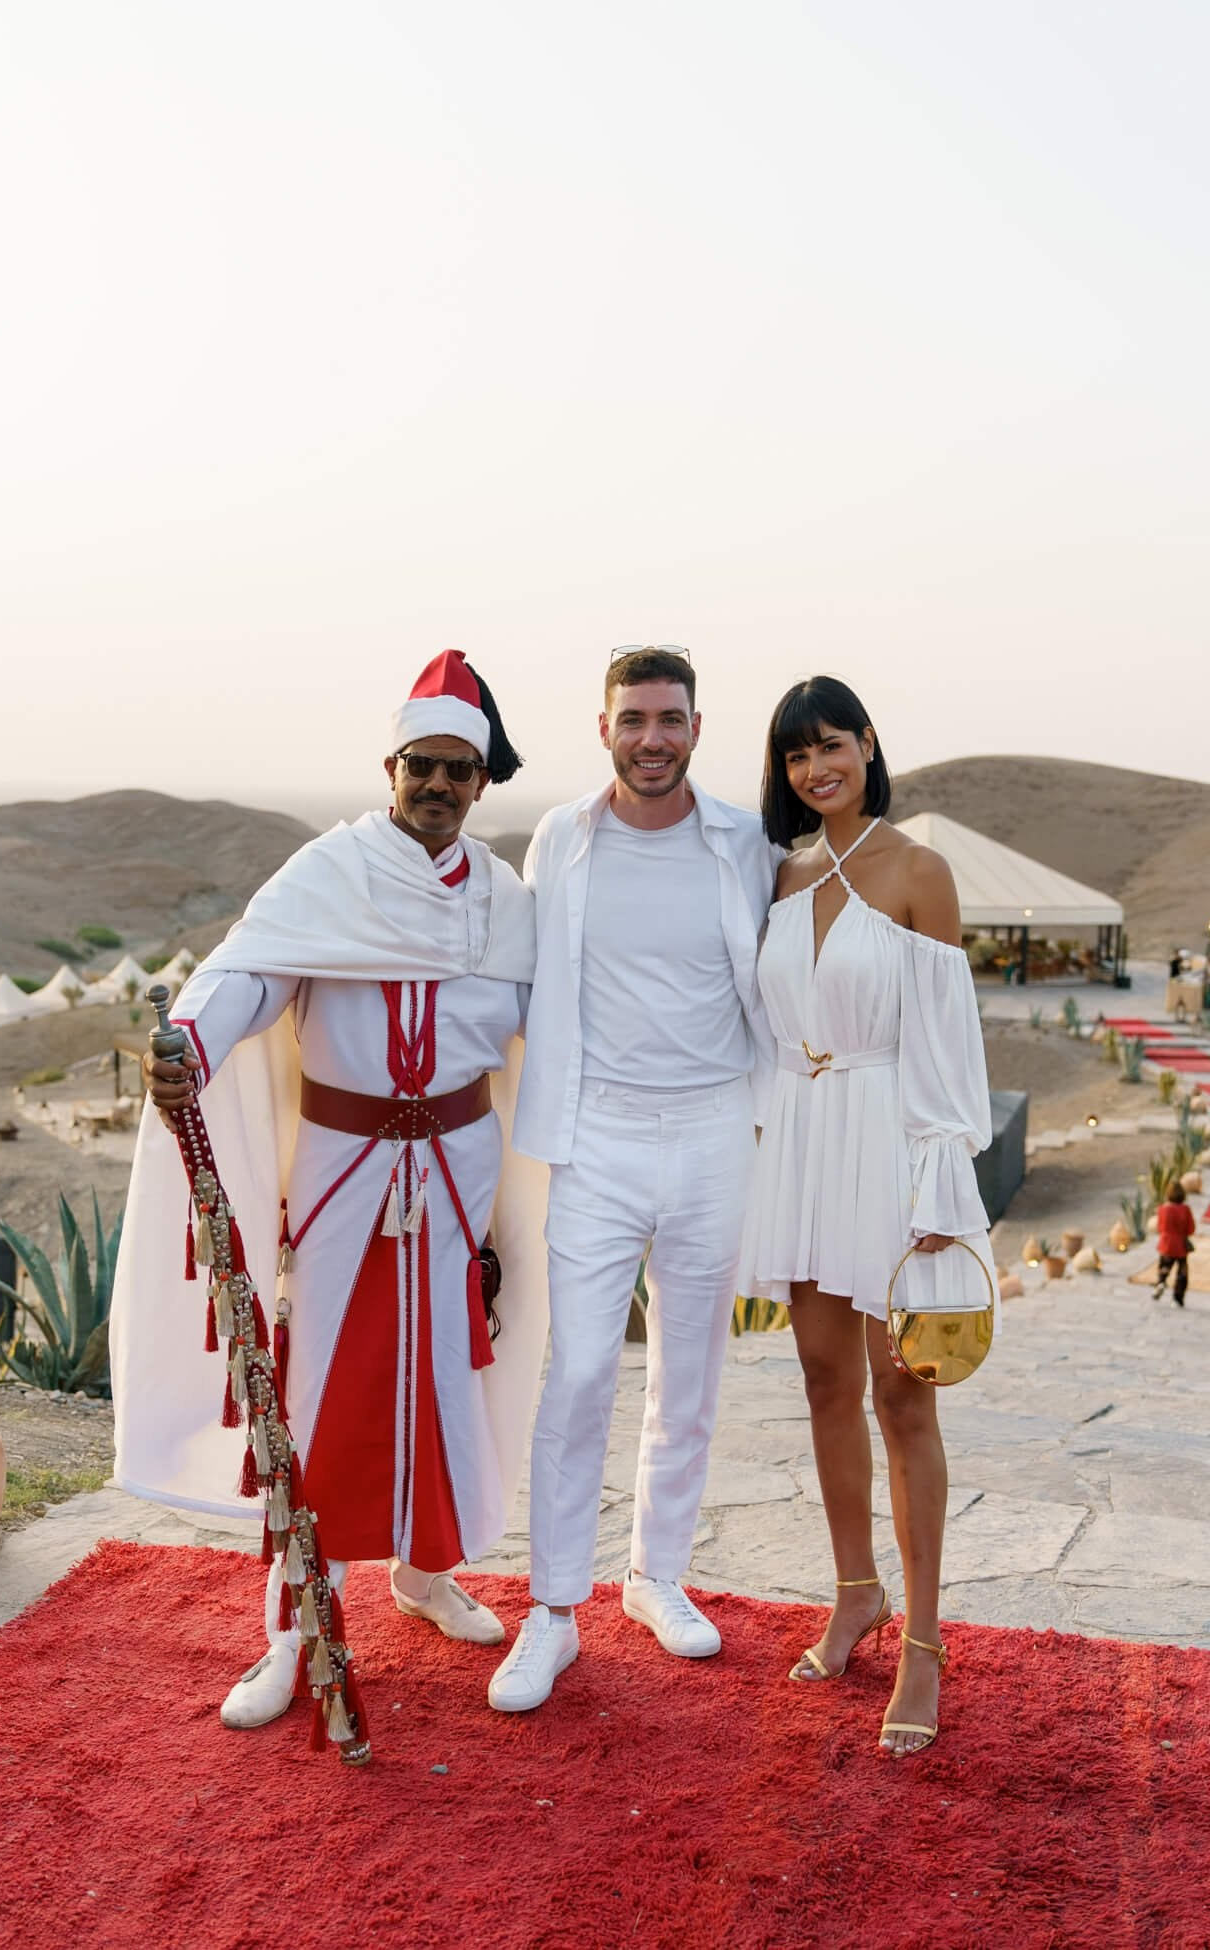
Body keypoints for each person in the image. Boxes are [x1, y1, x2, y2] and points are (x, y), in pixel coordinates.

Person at [110, 651, 546, 1734]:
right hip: (347, 1176)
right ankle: (294, 1624)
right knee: (317, 1392)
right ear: (389, 767)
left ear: (481, 782)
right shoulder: (326, 874)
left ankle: (425, 1572)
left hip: (456, 1174)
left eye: (458, 768)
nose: (437, 785)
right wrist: (192, 1046)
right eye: (419, 766)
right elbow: (247, 973)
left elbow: (565, 1026)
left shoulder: (509, 903)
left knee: (444, 1379)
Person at [486, 645, 777, 1713]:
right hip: (593, 1133)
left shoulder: (743, 844)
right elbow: (512, 981)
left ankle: (657, 1576)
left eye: (670, 719)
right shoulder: (559, 840)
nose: (651, 738)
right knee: (577, 1376)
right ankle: (554, 1610)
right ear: (602, 728)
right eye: (632, 719)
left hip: (712, 1129)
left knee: (689, 1372)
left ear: (697, 728)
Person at [736, 675, 994, 1760]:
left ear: (868, 745)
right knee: (824, 1381)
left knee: (903, 1397)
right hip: (802, 1140)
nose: (814, 770)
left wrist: (941, 1184)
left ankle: (926, 1643)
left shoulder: (918, 871)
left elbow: (949, 1039)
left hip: (891, 1143)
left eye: (830, 746)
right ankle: (856, 1595)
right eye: (797, 757)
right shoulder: (779, 875)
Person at [1152, 1183, 1195, 1305]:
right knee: (1182, 1272)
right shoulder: (1185, 1210)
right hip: (1180, 1245)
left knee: (1164, 1266)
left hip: (1166, 1244)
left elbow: (1160, 1228)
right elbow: (1191, 1229)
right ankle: (1177, 1298)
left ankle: (1160, 1282)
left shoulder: (1163, 1209)